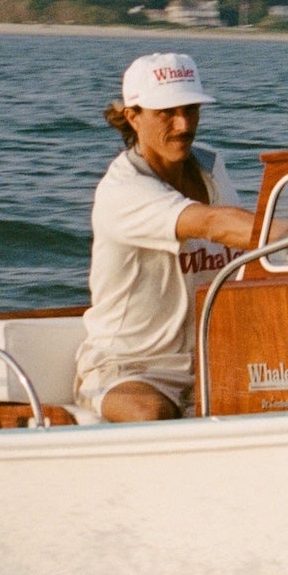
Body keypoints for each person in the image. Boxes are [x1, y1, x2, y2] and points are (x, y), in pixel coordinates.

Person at [73, 52, 263, 422]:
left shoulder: (213, 167)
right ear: (133, 116)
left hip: (213, 365)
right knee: (151, 413)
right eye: (167, 113)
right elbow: (212, 224)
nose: (183, 125)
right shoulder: (122, 190)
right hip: (131, 370)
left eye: (191, 110)